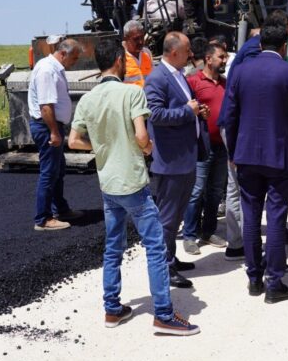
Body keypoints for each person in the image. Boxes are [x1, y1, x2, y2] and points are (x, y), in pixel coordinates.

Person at [68, 38, 199, 336]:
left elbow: (73, 141)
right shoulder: (131, 94)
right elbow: (141, 136)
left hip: (108, 183)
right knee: (154, 247)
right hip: (133, 183)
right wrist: (148, 147)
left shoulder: (87, 100)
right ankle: (164, 314)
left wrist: (102, 147)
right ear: (118, 61)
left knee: (113, 247)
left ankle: (112, 308)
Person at [223, 23, 288, 303]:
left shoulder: (239, 72)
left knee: (251, 217)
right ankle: (274, 281)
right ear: (284, 44)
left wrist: (234, 152)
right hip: (279, 155)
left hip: (246, 156)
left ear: (260, 44)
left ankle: (254, 278)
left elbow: (229, 116)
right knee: (275, 217)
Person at [145, 31, 208, 290]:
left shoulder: (179, 75)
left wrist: (196, 112)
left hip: (185, 158)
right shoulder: (157, 79)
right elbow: (156, 115)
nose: (191, 54)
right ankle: (165, 266)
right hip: (170, 162)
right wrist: (188, 111)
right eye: (187, 49)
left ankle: (171, 258)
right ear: (173, 53)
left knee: (176, 215)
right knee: (168, 218)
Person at [27, 36, 81, 232]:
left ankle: (61, 209)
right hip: (46, 127)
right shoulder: (47, 70)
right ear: (63, 53)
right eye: (74, 58)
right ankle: (43, 218)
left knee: (58, 171)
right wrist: (54, 132)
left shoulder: (55, 68)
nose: (74, 63)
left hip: (51, 126)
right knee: (49, 173)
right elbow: (46, 106)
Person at [182, 42, 230, 255]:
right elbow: (183, 109)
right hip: (201, 146)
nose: (225, 60)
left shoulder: (225, 83)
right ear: (209, 59)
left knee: (216, 191)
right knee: (196, 191)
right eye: (221, 56)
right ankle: (189, 235)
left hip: (221, 146)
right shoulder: (192, 81)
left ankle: (208, 231)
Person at [121, 19, 154, 87]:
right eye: (136, 39)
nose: (140, 42)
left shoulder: (147, 53)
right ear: (125, 38)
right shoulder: (120, 57)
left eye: (142, 37)